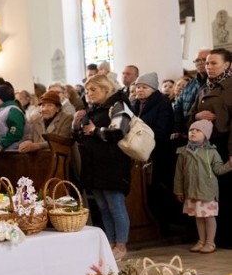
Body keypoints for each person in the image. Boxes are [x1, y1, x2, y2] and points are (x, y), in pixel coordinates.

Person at [73, 74, 132, 261]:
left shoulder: (118, 105)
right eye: (87, 90)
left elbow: (119, 131)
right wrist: (76, 123)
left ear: (106, 89)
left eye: (93, 89)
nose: (89, 94)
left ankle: (121, 245)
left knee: (116, 206)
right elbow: (81, 136)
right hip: (94, 165)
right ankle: (111, 243)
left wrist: (95, 131)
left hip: (113, 164)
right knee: (103, 207)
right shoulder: (92, 109)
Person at [191, 47, 232, 247]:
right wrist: (196, 116)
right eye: (207, 63)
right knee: (211, 193)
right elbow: (189, 117)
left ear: (227, 65)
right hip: (206, 147)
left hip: (225, 144)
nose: (209, 66)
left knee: (227, 191)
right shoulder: (203, 88)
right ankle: (213, 238)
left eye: (214, 63)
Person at [174, 120, 232, 253]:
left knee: (209, 217)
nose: (193, 132)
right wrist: (178, 190)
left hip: (207, 192)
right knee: (198, 217)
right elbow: (179, 174)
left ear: (206, 135)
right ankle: (201, 241)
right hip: (192, 191)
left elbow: (218, 170)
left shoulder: (211, 152)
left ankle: (210, 242)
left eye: (198, 130)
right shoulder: (183, 152)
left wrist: (229, 165)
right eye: (191, 130)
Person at [132, 72, 177, 231]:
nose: (139, 90)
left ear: (153, 89)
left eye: (144, 87)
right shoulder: (135, 104)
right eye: (138, 87)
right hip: (139, 153)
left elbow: (162, 130)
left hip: (158, 153)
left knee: (158, 190)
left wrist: (141, 140)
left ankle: (161, 225)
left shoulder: (162, 103)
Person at [175, 49, 210, 136]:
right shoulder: (190, 83)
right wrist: (178, 129)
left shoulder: (215, 83)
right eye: (197, 60)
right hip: (187, 131)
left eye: (204, 59)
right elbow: (178, 106)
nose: (200, 63)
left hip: (207, 132)